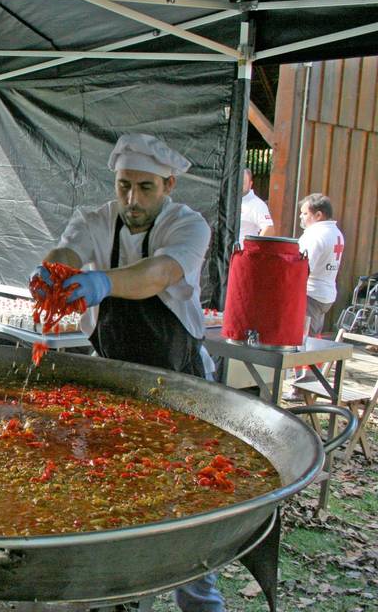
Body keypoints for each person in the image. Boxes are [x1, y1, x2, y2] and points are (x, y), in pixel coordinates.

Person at [31, 133, 219, 612]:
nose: (132, 200)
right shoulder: (99, 218)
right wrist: (54, 273)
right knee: (111, 496)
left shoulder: (189, 226)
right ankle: (118, 597)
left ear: (168, 185)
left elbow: (158, 275)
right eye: (123, 187)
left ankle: (201, 601)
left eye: (145, 188)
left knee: (183, 511)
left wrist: (100, 283)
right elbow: (68, 250)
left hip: (181, 387)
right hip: (116, 385)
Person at [297, 193, 344, 337]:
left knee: (303, 340)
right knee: (314, 335)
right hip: (326, 293)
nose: (301, 217)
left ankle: (310, 360)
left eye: (305, 213)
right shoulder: (336, 233)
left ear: (318, 215)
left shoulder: (315, 234)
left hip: (311, 293)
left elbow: (302, 267)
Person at [239, 168, 273, 243]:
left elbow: (269, 229)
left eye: (243, 182)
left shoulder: (257, 204)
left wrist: (253, 250)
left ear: (250, 184)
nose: (239, 185)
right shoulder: (228, 201)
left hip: (242, 253)